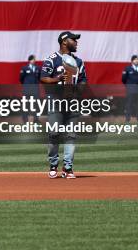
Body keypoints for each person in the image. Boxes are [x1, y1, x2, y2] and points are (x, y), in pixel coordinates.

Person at [40, 31, 87, 179]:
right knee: (54, 134)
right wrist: (57, 79)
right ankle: (53, 164)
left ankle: (68, 167)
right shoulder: (52, 59)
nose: (77, 42)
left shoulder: (78, 61)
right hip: (55, 101)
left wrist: (78, 89)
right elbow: (43, 78)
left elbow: (83, 80)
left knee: (71, 136)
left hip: (72, 103)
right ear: (65, 41)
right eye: (74, 40)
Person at [122, 55, 138, 122]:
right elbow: (123, 79)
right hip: (130, 89)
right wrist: (128, 86)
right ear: (132, 61)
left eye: (137, 59)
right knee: (129, 104)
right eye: (135, 59)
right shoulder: (127, 68)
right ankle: (127, 119)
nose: (136, 60)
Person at [19, 54, 40, 123]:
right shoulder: (24, 68)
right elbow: (21, 78)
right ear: (30, 60)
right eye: (33, 59)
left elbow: (39, 77)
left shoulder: (38, 68)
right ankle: (25, 119)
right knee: (26, 104)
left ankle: (36, 119)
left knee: (36, 104)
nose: (34, 60)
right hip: (27, 89)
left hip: (35, 89)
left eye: (35, 59)